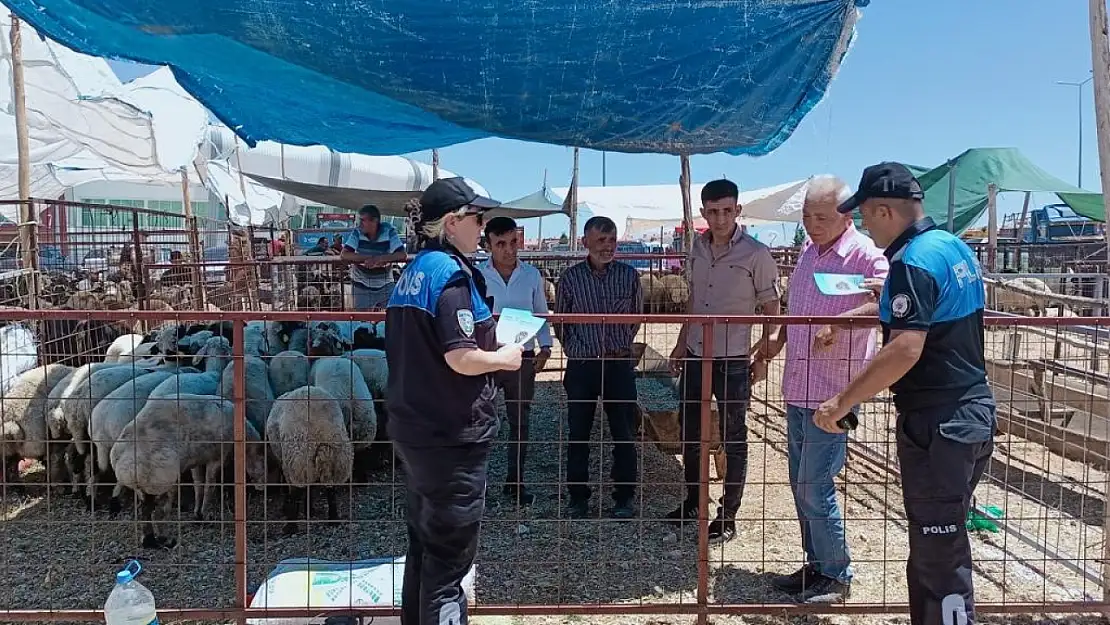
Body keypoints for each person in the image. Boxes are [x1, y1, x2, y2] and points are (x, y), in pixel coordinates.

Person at [815, 162, 995, 625]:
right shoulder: (950, 246)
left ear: (883, 211)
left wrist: (843, 400)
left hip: (938, 422)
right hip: (971, 411)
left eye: (864, 216)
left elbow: (906, 348)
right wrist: (881, 298)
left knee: (940, 553)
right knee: (937, 542)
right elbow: (934, 315)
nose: (862, 225)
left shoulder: (911, 263)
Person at [385, 177, 524, 625]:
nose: (483, 227)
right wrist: (503, 358)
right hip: (451, 434)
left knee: (424, 547)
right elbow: (460, 357)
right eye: (477, 218)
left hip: (415, 428)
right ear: (452, 222)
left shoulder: (413, 272)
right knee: (449, 560)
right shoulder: (452, 276)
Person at [756, 175, 889, 603]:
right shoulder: (809, 253)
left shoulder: (866, 256)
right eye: (806, 216)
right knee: (801, 483)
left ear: (844, 215)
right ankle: (816, 565)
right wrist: (775, 344)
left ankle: (836, 572)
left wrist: (843, 320)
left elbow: (887, 301)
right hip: (799, 386)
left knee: (815, 484)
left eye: (821, 217)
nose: (812, 224)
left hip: (836, 392)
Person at [664, 178, 780, 543]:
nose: (720, 218)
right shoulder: (696, 249)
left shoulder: (756, 254)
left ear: (737, 210)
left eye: (726, 211)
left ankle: (727, 514)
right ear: (703, 213)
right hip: (698, 354)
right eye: (713, 212)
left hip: (733, 359)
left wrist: (764, 355)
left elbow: (772, 310)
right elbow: (695, 302)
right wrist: (682, 344)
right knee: (690, 430)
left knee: (733, 435)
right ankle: (694, 500)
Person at [554, 216, 643, 519]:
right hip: (583, 364)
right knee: (578, 433)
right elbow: (561, 322)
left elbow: (635, 318)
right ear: (585, 243)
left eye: (612, 240)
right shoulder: (569, 279)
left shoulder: (629, 277)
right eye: (601, 240)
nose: (607, 246)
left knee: (625, 433)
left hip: (618, 363)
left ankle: (624, 497)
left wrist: (618, 343)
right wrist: (577, 348)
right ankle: (578, 497)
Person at [478, 216, 553, 506]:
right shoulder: (477, 276)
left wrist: (546, 347)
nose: (509, 250)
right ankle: (479, 486)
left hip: (522, 356)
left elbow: (541, 312)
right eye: (501, 244)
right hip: (487, 357)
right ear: (488, 246)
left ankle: (516, 481)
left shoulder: (532, 275)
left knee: (519, 421)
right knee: (481, 420)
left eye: (513, 242)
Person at [341, 204, 407, 310]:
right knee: (362, 322)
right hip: (360, 284)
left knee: (393, 315)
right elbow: (344, 254)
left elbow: (402, 254)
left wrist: (379, 259)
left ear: (374, 221)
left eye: (363, 220)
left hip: (385, 284)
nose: (360, 224)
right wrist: (370, 258)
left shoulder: (388, 230)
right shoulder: (357, 232)